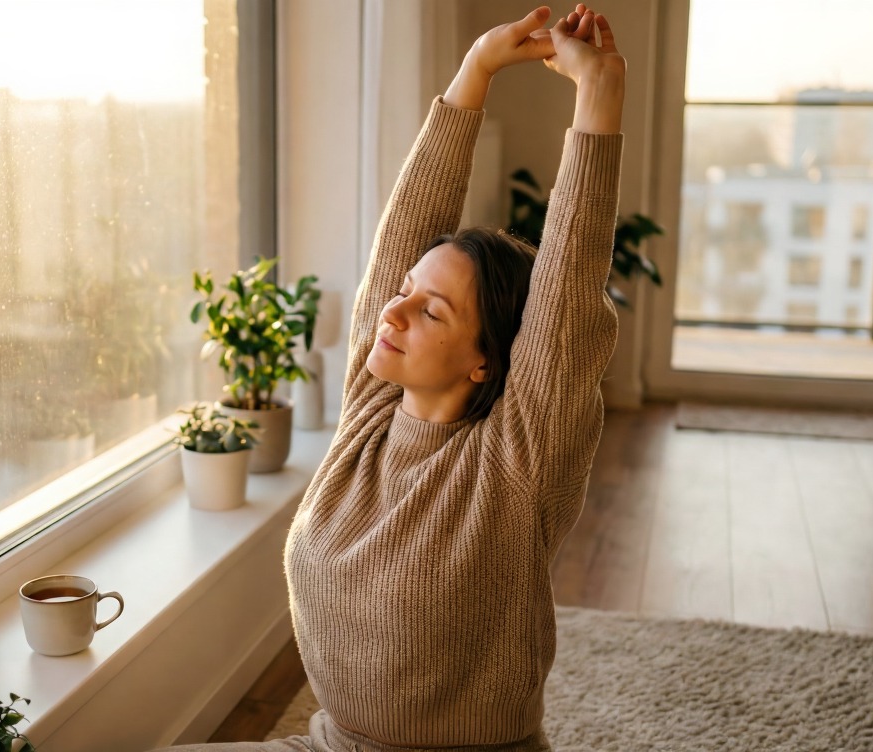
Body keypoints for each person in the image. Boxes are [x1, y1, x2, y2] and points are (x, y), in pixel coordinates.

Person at [156, 5, 625, 751]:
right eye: (403, 289)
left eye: (431, 311)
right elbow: (410, 222)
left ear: (487, 360)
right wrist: (474, 70)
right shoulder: (372, 409)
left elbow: (565, 294)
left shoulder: (515, 459)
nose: (393, 311)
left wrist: (598, 90)